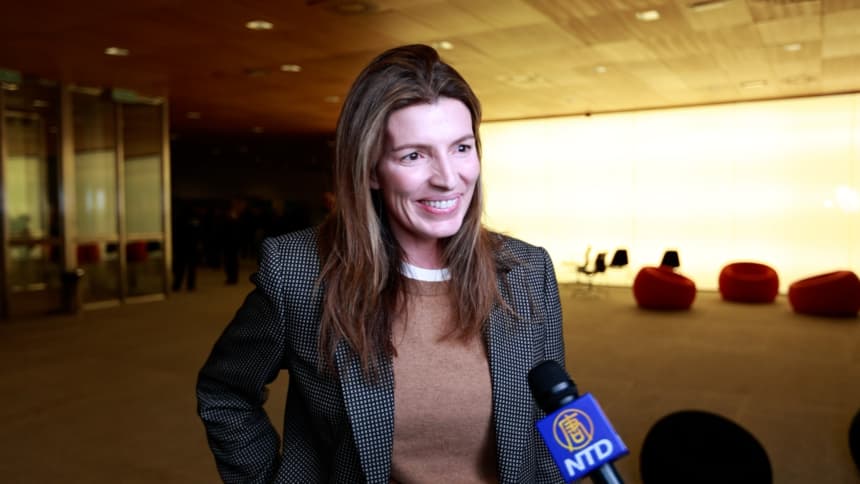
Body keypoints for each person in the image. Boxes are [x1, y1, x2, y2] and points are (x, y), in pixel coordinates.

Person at [196, 44, 565, 483]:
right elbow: (226, 393)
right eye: (414, 155)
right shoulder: (298, 273)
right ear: (370, 169)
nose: (449, 177)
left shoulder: (529, 270)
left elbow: (555, 413)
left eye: (462, 148)